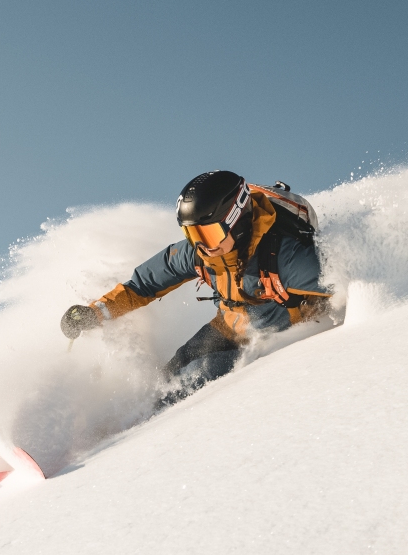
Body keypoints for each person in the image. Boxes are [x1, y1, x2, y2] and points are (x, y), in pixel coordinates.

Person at [60, 171, 331, 407]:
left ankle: (144, 433)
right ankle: (123, 427)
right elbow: (143, 285)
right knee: (169, 377)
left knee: (199, 377)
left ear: (236, 221)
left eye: (209, 234)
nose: (201, 245)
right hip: (227, 327)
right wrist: (95, 313)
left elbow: (351, 281)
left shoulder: (289, 260)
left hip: (276, 341)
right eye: (193, 235)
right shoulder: (199, 254)